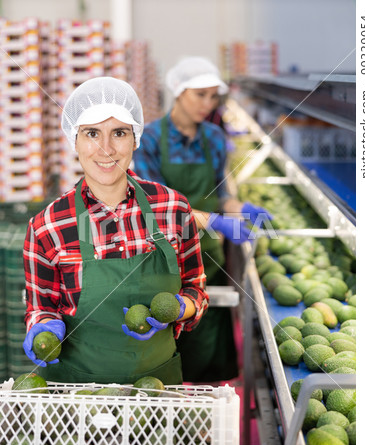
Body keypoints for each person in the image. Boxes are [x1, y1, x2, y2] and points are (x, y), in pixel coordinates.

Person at [22, 77, 209, 385]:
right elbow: (41, 308)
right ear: (75, 141)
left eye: (119, 133)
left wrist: (179, 308)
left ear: (135, 139)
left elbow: (196, 289)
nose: (105, 149)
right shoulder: (47, 226)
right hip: (76, 397)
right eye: (92, 133)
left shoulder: (173, 208)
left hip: (157, 390)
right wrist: (42, 326)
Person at [133, 56, 272, 382]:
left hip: (207, 256)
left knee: (209, 342)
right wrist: (216, 222)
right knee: (168, 345)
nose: (207, 104)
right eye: (200, 95)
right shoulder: (149, 141)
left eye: (213, 97)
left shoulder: (213, 138)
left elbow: (221, 193)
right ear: (179, 92)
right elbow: (157, 206)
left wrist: (240, 209)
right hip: (162, 254)